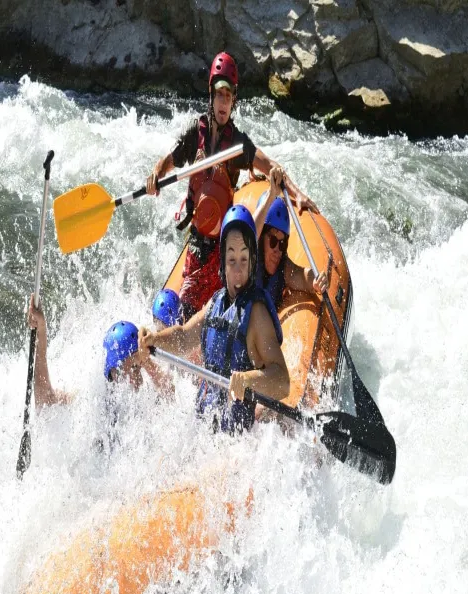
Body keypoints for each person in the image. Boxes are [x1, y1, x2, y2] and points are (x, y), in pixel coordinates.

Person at [145, 51, 319, 320]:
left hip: (223, 247)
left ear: (234, 100)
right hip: (196, 243)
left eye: (229, 96)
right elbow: (169, 161)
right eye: (219, 94)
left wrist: (298, 195)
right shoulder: (196, 133)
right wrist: (155, 175)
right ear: (211, 95)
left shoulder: (238, 144)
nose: (223, 102)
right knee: (185, 314)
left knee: (214, 317)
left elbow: (272, 166)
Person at [137, 203, 290, 434]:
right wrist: (155, 338)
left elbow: (282, 381)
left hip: (236, 441)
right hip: (204, 428)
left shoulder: (256, 314)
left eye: (244, 259)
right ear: (222, 261)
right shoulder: (216, 302)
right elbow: (184, 337)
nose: (238, 269)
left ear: (252, 260)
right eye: (231, 260)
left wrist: (248, 380)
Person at [27, 295, 171, 410]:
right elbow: (45, 400)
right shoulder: (92, 401)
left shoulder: (142, 400)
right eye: (133, 368)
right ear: (114, 371)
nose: (139, 379)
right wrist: (41, 330)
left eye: (139, 368)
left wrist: (145, 359)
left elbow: (170, 393)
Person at [253, 185, 328, 309]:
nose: (278, 251)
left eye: (282, 244)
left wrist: (316, 281)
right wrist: (271, 194)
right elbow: (248, 234)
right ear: (261, 239)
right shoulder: (247, 262)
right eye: (273, 241)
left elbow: (303, 276)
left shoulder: (283, 268)